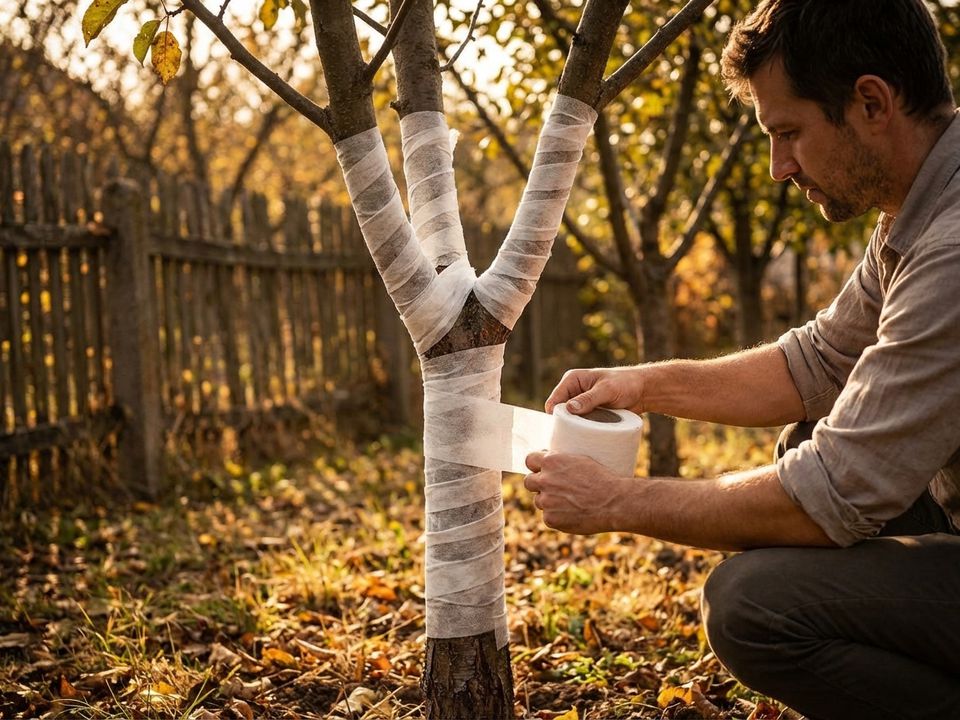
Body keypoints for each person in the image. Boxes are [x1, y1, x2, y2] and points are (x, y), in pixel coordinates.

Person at [522, 1, 960, 718]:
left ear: (872, 102)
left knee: (751, 605)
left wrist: (614, 502)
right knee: (802, 434)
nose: (778, 166)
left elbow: (832, 496)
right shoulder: (918, 210)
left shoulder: (951, 249)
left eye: (788, 133)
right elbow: (816, 364)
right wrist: (641, 383)